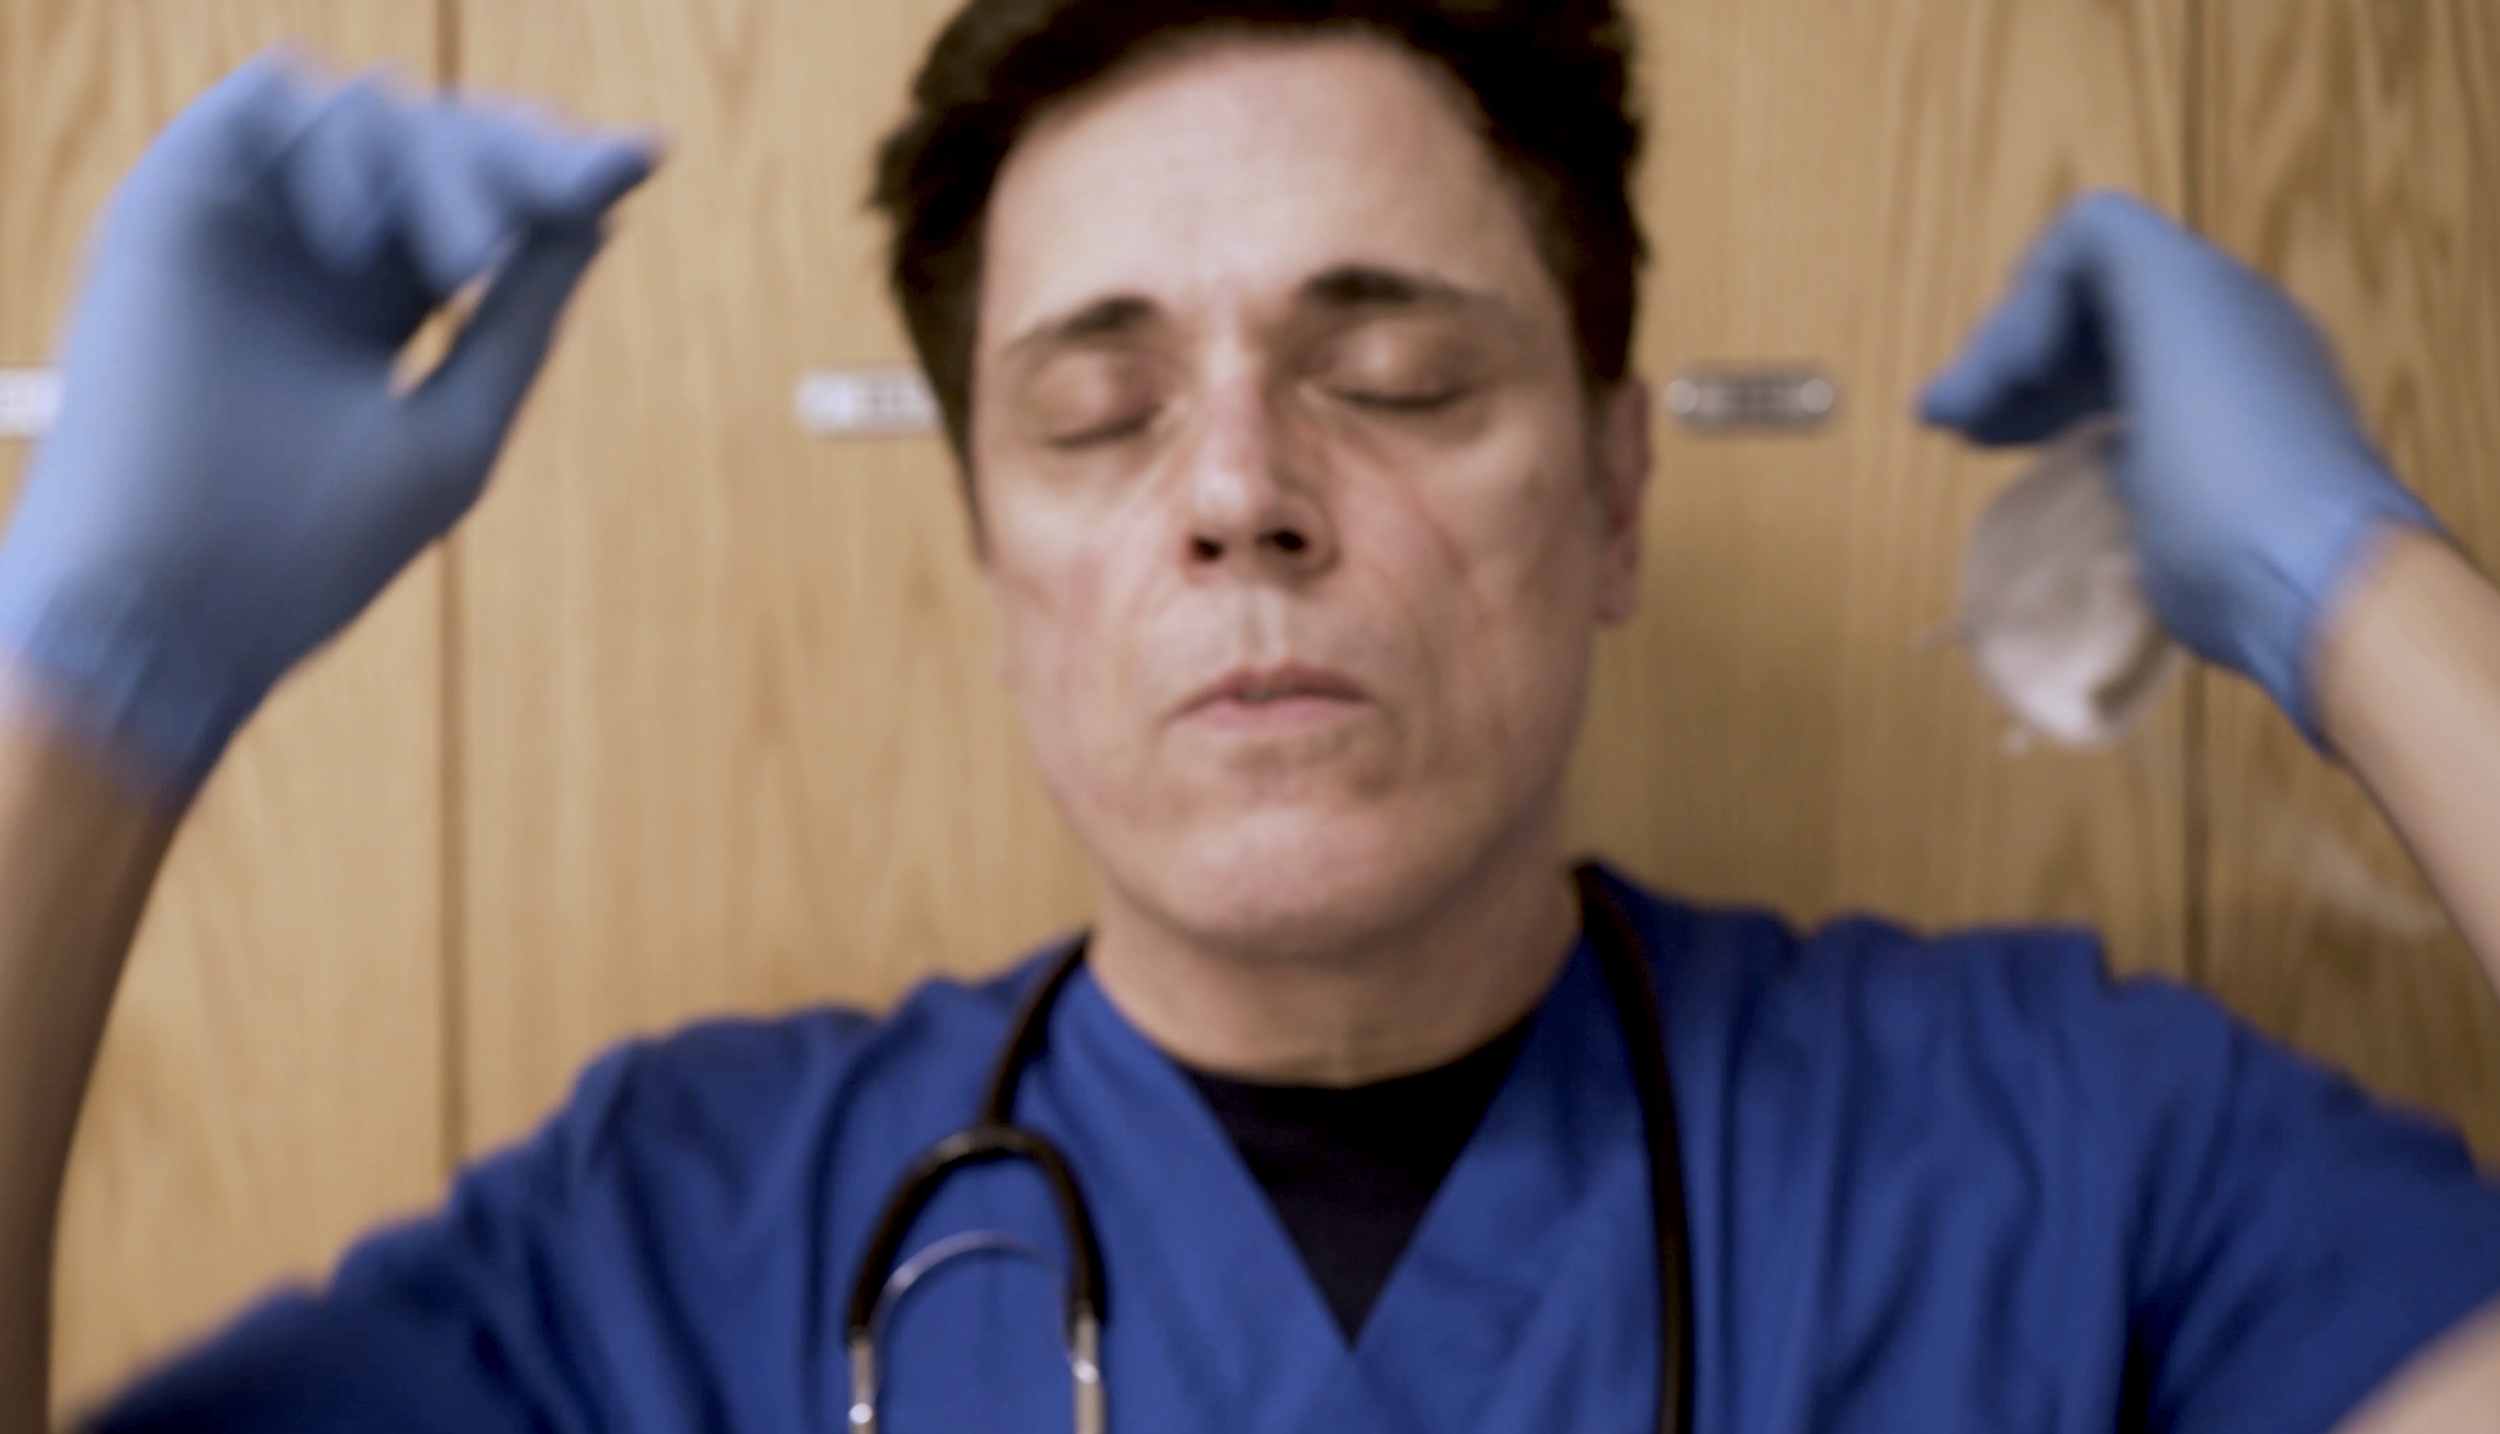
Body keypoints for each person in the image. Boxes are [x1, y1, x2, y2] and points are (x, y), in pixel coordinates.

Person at [3, 0, 2498, 1429]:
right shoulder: (661, 1250)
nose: (1234, 496)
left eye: (1392, 376)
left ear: (1616, 497)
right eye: (1096, 416)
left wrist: (2356, 599)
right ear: (986, 555)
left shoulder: (2076, 1163)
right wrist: (89, 695)